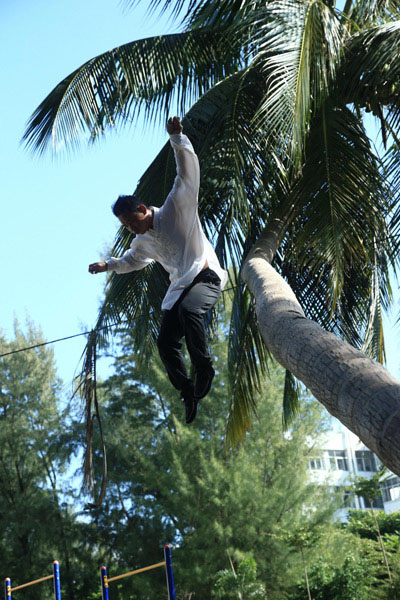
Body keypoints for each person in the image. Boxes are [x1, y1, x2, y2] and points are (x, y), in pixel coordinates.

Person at [89, 116, 227, 424]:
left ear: (142, 209)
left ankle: (204, 367)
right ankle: (187, 390)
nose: (132, 229)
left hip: (205, 275)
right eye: (126, 227)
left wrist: (177, 138)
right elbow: (131, 262)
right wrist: (108, 265)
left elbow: (188, 173)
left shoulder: (176, 206)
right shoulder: (141, 243)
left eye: (132, 222)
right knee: (165, 343)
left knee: (191, 312)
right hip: (178, 287)